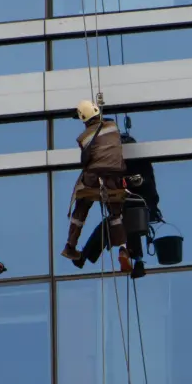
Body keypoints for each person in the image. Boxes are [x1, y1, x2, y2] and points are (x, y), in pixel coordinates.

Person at [60, 100, 132, 274]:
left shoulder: (83, 138)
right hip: (114, 178)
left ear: (84, 119)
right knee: (115, 213)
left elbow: (86, 160)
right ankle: (123, 249)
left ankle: (70, 245)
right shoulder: (113, 127)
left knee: (82, 207)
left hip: (93, 178)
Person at [77, 131, 158, 280]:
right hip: (133, 205)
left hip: (138, 205)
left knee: (118, 223)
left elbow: (144, 182)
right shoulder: (128, 163)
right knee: (117, 224)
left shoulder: (138, 162)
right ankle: (136, 261)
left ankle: (88, 255)